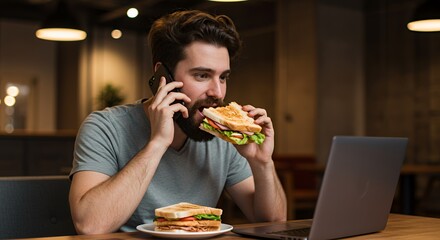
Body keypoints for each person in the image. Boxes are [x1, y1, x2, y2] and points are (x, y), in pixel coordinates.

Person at [69, 9, 287, 234]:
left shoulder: (224, 136)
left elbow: (274, 223)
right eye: (202, 75)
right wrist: (157, 143)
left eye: (223, 77)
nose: (218, 92)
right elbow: (90, 226)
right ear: (163, 75)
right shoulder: (104, 127)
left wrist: (262, 163)